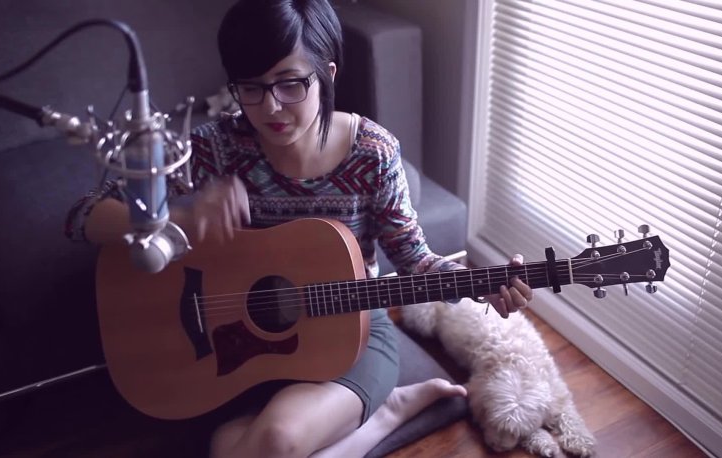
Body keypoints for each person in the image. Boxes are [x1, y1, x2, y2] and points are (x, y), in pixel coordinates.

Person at [66, 0, 534, 456]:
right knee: (234, 449)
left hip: (350, 333)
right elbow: (84, 215)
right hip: (241, 345)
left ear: (327, 75)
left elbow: (414, 261)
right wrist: (182, 219)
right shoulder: (221, 146)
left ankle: (386, 411)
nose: (271, 107)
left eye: (290, 84)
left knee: (275, 440)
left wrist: (478, 285)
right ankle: (384, 415)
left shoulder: (373, 154)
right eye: (251, 87)